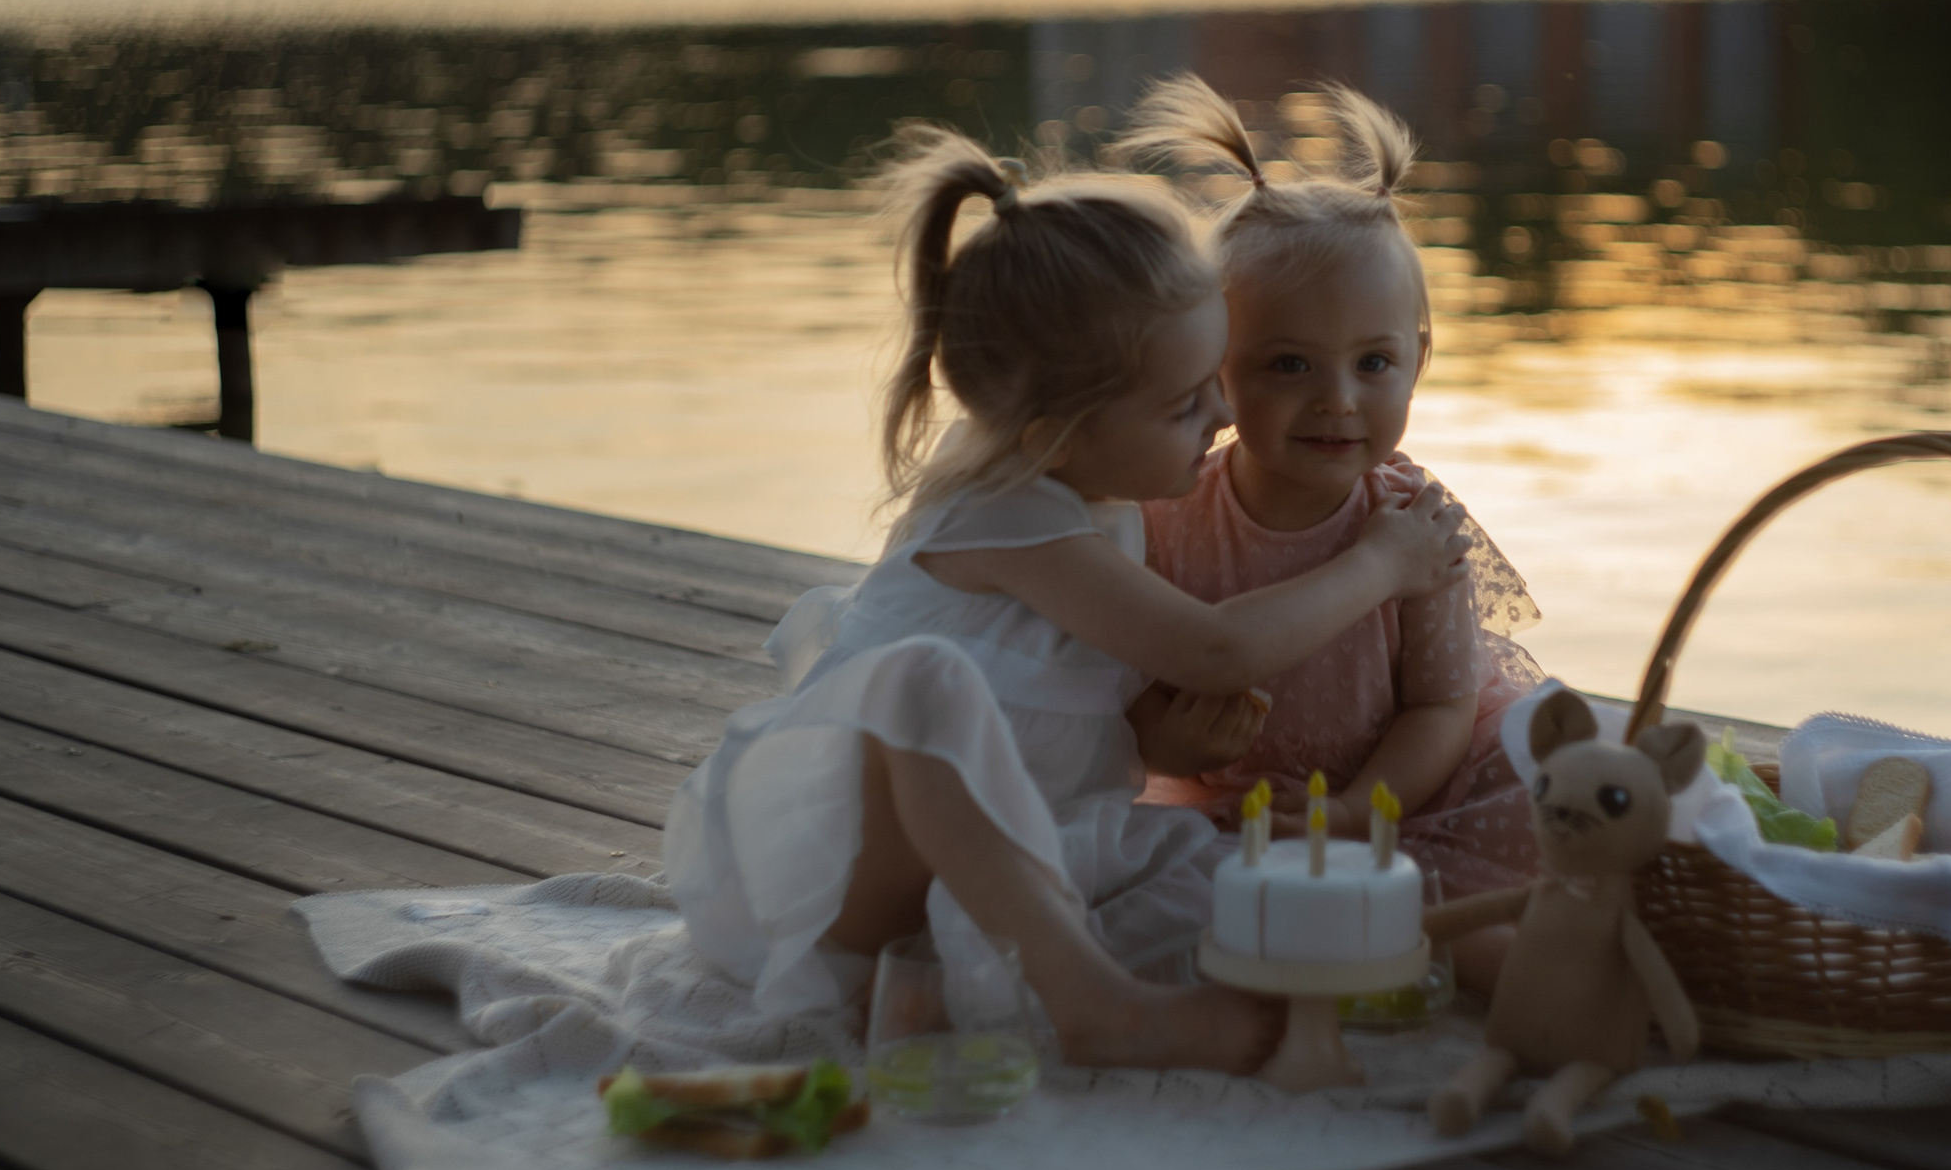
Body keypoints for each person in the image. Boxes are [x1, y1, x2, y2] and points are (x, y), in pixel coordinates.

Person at [663, 123, 1472, 1074]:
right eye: (1186, 402)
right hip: (859, 887)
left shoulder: (1107, 507)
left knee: (1230, 882)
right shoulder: (1006, 516)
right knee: (921, 684)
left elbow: (1069, 701)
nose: (1220, 418)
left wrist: (1158, 744)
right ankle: (1091, 1005)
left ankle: (994, 978)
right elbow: (1214, 651)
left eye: (1214, 384)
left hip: (1030, 845)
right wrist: (1382, 565)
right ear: (1059, 433)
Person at [1118, 77, 1547, 992]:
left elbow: (1440, 705)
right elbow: (1129, 686)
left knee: (1553, 775)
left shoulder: (1413, 520)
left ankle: (1502, 957)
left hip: (1402, 796)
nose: (1337, 400)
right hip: (1228, 812)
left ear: (1417, 360)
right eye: (1287, 365)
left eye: (1374, 362)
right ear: (1216, 367)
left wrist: (1360, 809)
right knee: (1146, 891)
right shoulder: (1166, 512)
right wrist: (1165, 745)